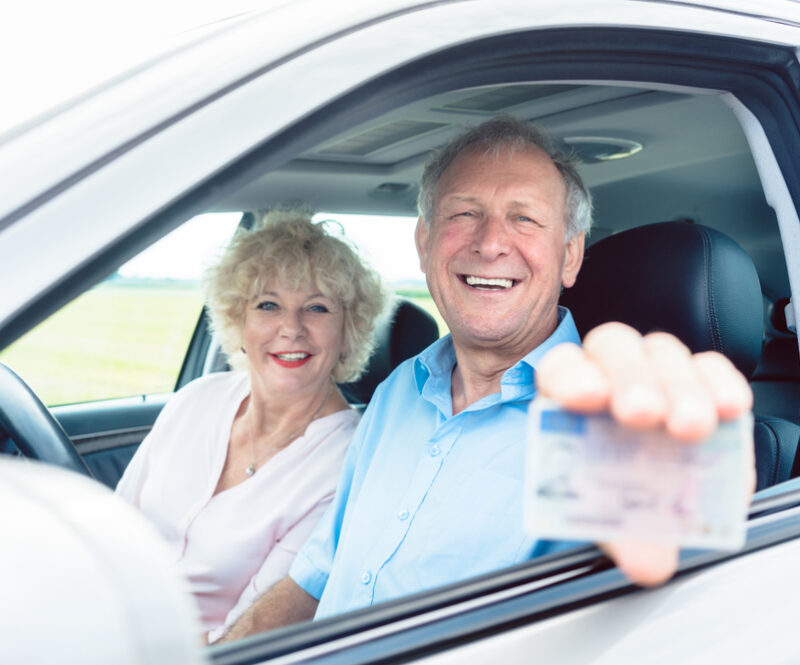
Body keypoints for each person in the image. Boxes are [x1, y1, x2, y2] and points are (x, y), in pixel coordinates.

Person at [218, 117, 754, 641]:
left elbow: (673, 605)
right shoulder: (398, 390)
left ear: (570, 256)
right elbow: (316, 576)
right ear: (424, 243)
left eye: (524, 218)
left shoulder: (607, 418)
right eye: (465, 213)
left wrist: (685, 492)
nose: (491, 242)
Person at [115, 210, 384, 642]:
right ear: (239, 321)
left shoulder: (345, 464)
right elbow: (114, 524)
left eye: (316, 308)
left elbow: (254, 627)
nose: (291, 329)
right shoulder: (196, 399)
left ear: (348, 331)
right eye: (268, 305)